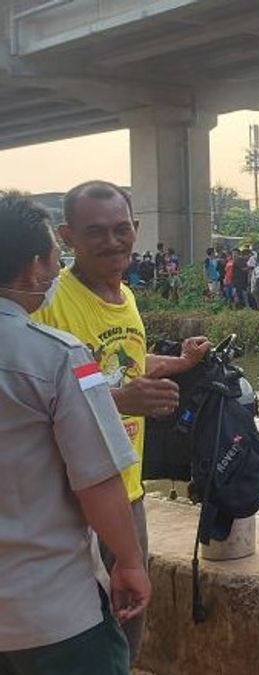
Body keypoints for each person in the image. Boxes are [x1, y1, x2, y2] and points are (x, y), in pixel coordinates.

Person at [32, 181, 211, 663]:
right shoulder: (50, 301)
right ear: (68, 236)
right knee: (83, 635)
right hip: (73, 495)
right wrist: (123, 399)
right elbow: (39, 396)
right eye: (95, 231)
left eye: (121, 228)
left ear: (136, 228)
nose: (113, 241)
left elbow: (117, 360)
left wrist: (175, 363)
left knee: (130, 619)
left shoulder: (125, 296)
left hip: (126, 486)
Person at [0, 195, 152, 675]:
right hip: (51, 612)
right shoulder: (58, 356)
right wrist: (128, 560)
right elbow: (97, 477)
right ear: (32, 268)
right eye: (54, 258)